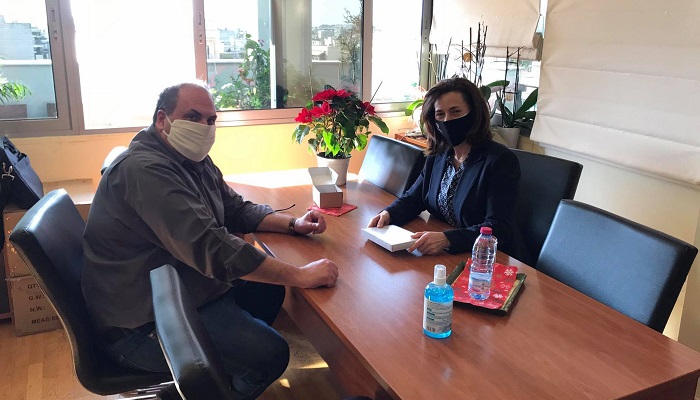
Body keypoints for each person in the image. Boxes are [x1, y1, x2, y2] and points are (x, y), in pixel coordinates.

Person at [82, 82, 339, 399]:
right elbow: (213, 248)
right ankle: (209, 385)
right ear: (162, 119)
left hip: (181, 287)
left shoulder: (191, 159)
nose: (204, 127)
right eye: (192, 117)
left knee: (269, 288)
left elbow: (234, 209)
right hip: (141, 323)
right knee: (271, 354)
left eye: (210, 120)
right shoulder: (146, 171)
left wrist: (292, 224)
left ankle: (216, 377)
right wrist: (300, 275)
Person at [368, 77, 527, 259]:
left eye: (455, 112)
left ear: (474, 113)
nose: (447, 120)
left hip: (488, 258)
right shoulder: (438, 155)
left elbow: (499, 227)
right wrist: (389, 213)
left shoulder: (500, 161)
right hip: (445, 256)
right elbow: (414, 198)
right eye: (440, 114)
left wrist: (448, 239)